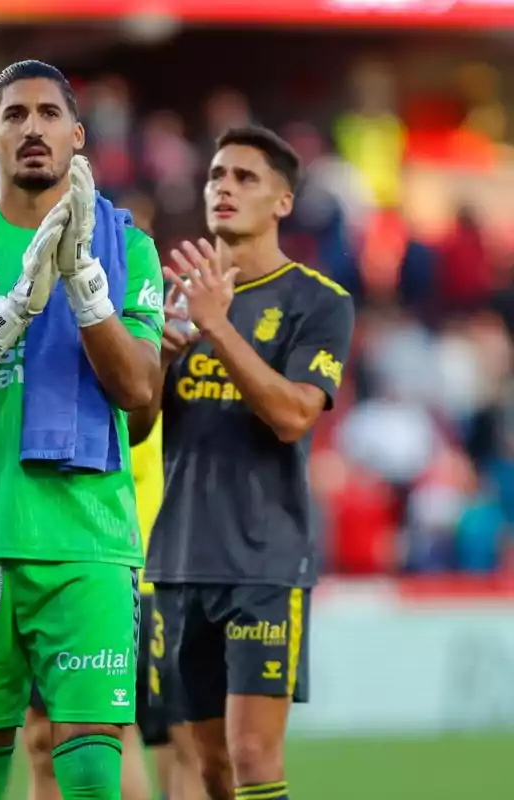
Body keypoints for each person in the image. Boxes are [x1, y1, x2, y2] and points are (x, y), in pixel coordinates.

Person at [0, 60, 165, 800]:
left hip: (86, 542)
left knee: (86, 773)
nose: (33, 128)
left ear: (77, 137)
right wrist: (5, 317)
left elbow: (140, 393)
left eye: (49, 114)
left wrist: (81, 282)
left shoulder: (125, 249)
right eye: (15, 115)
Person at [136, 126, 355, 800]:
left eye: (244, 178)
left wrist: (218, 327)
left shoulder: (318, 302)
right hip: (175, 562)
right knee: (209, 768)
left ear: (283, 202)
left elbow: (292, 416)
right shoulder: (171, 303)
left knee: (255, 754)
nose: (223, 188)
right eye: (215, 176)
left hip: (263, 561)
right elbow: (139, 427)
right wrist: (162, 357)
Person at [22, 416, 207, 800]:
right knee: (70, 738)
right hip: (74, 569)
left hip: (165, 569)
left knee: (185, 742)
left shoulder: (162, 364)